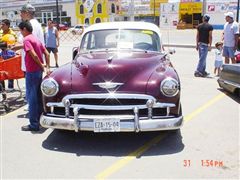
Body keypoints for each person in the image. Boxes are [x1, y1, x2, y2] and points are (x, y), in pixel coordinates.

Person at [12, 3, 45, 111]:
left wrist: (16, 47)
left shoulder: (30, 25)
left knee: (32, 93)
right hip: (35, 64)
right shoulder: (36, 24)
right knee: (35, 92)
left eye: (21, 12)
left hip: (31, 64)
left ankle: (34, 120)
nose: (20, 15)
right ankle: (38, 113)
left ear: (26, 13)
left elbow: (30, 44)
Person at [18, 21, 50, 131]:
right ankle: (41, 120)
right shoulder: (36, 39)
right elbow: (46, 53)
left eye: (21, 31)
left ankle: (34, 124)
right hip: (38, 72)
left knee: (31, 98)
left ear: (24, 29)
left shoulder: (26, 39)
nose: (21, 33)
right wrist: (47, 67)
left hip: (32, 72)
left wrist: (41, 65)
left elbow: (34, 55)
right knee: (38, 96)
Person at [0, 19, 18, 91]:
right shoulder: (0, 33)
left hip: (10, 55)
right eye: (1, 24)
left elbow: (16, 43)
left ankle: (10, 87)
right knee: (1, 72)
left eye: (3, 25)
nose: (1, 26)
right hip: (1, 55)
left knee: (10, 70)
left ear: (7, 25)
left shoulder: (12, 34)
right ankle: (2, 88)